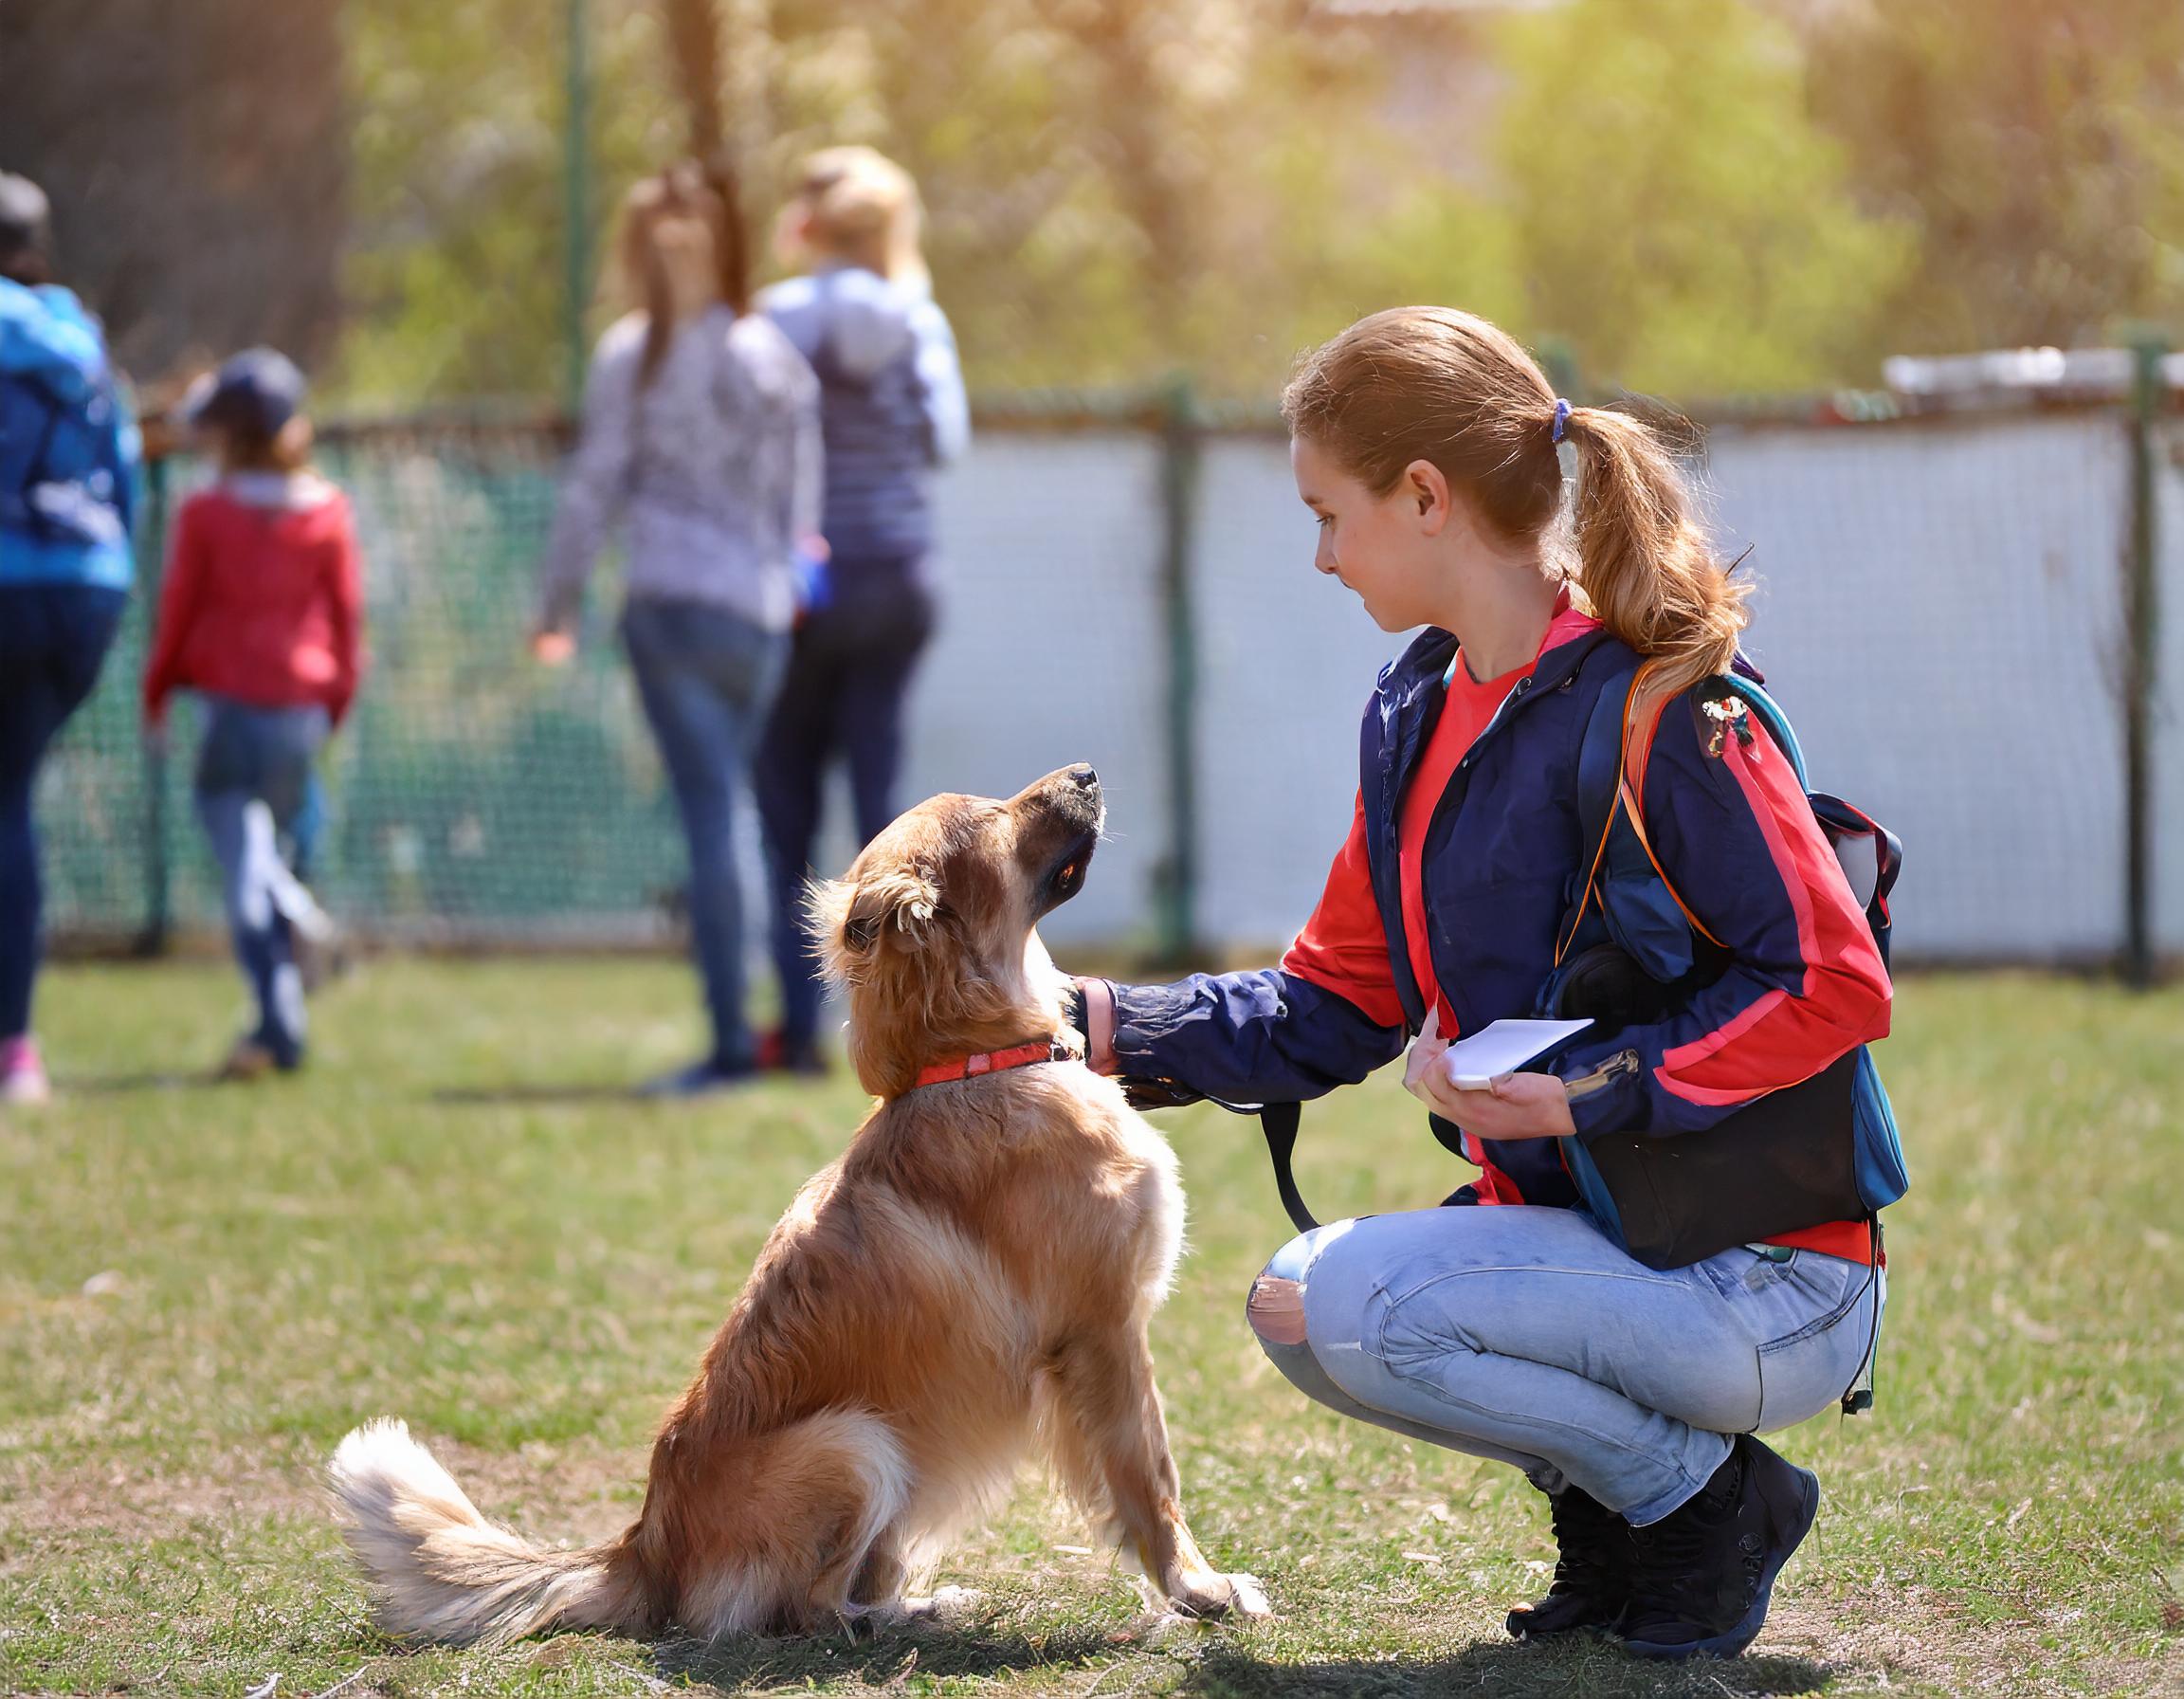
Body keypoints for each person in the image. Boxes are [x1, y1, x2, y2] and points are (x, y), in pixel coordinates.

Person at [1072, 307, 1894, 1661]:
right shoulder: (1412, 711)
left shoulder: (1669, 705)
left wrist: (1578, 1101)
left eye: (1329, 514)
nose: (1324, 555)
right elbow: (1329, 1002)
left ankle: (1703, 1506)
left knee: (1340, 1297)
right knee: (1301, 1306)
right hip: (1617, 1249)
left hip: (1769, 1280)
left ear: (1426, 496)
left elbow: (1833, 982)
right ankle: (1626, 1537)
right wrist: (1089, 1026)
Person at [535, 162, 822, 1095]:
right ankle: (790, 1021)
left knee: (713, 818)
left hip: (668, 605)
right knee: (746, 812)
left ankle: (732, 1039)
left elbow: (593, 488)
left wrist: (556, 601)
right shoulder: (769, 355)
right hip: (759, 617)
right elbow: (799, 501)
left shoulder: (633, 356)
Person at [754, 146, 968, 1074]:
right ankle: (905, 1018)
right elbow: (944, 439)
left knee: (784, 803)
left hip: (802, 584)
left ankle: (794, 1028)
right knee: (885, 809)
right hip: (897, 576)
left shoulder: (772, 318)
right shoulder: (917, 320)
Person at [142, 348, 364, 1078]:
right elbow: (346, 618)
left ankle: (295, 947)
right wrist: (337, 699)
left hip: (233, 706)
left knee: (246, 864)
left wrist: (159, 686)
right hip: (301, 711)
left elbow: (180, 610)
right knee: (271, 850)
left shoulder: (208, 512)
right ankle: (279, 1022)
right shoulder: (327, 511)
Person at [0, 172, 138, 1106]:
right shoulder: (80, 340)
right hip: (88, 591)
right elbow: (121, 474)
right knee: (9, 803)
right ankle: (16, 1049)